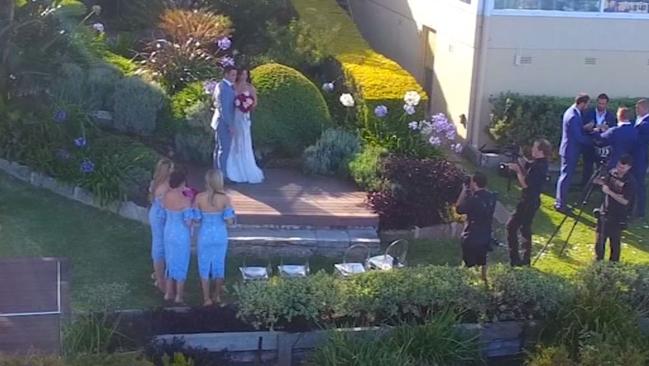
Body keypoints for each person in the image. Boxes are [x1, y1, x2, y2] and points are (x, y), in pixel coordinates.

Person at [506, 139, 551, 266]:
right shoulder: (540, 163)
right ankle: (525, 259)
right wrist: (520, 158)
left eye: (535, 148)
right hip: (532, 200)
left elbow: (526, 184)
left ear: (540, 151)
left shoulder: (539, 167)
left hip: (528, 201)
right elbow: (528, 165)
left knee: (512, 226)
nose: (532, 149)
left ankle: (516, 259)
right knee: (524, 228)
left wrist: (517, 171)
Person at [194, 170, 236, 306]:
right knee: (219, 264)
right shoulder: (225, 199)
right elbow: (229, 221)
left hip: (205, 235)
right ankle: (217, 295)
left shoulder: (199, 197)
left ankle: (206, 298)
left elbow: (196, 219)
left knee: (204, 265)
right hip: (220, 235)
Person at [593, 154, 636, 262]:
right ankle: (598, 262)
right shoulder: (612, 173)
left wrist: (609, 192)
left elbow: (625, 201)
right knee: (599, 241)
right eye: (618, 166)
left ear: (629, 167)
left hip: (617, 216)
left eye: (623, 167)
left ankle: (613, 266)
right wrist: (599, 180)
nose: (619, 169)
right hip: (604, 212)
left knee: (614, 244)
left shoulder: (630, 182)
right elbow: (603, 182)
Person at [455, 172, 496, 284]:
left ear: (475, 183)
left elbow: (458, 209)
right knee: (483, 258)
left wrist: (464, 190)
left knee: (467, 260)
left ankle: (462, 281)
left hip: (472, 234)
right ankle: (484, 279)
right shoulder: (491, 197)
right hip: (486, 233)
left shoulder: (473, 200)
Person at [555, 94, 593, 214]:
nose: (587, 107)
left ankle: (560, 201)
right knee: (566, 177)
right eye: (587, 104)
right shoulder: (573, 116)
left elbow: (576, 130)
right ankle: (561, 204)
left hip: (570, 149)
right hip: (570, 150)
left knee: (565, 175)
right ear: (582, 103)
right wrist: (594, 140)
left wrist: (585, 128)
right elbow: (578, 137)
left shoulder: (572, 112)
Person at [162, 170, 195, 305]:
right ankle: (179, 296)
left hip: (168, 231)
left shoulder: (166, 196)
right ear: (182, 182)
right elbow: (188, 222)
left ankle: (168, 293)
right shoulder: (185, 200)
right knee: (181, 262)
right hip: (180, 233)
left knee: (170, 261)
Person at [226, 68, 264, 184]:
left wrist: (246, 107)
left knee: (244, 140)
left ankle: (246, 166)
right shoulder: (233, 86)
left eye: (245, 74)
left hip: (244, 117)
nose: (243, 76)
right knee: (234, 140)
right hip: (235, 116)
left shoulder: (250, 87)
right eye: (241, 74)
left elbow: (255, 102)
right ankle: (233, 165)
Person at [580, 93, 617, 187]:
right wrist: (593, 127)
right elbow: (582, 126)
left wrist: (606, 128)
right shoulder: (588, 112)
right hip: (589, 143)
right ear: (597, 103)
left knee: (601, 167)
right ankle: (585, 185)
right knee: (587, 166)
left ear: (607, 104)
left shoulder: (610, 115)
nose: (601, 105)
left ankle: (599, 186)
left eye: (603, 104)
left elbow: (613, 129)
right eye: (599, 103)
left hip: (602, 145)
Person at [148, 158, 174, 293]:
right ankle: (160, 281)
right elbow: (167, 205)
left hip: (155, 213)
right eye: (171, 168)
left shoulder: (155, 182)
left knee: (160, 243)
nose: (173, 170)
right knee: (160, 246)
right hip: (160, 216)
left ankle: (157, 273)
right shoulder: (165, 187)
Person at [211, 66, 237, 178]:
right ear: (226, 74)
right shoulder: (224, 88)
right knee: (224, 149)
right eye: (232, 74)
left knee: (218, 148)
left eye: (235, 75)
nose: (234, 77)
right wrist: (230, 125)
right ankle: (222, 176)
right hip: (223, 122)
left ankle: (216, 174)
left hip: (219, 121)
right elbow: (225, 109)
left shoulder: (221, 86)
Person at [632, 99, 649, 218]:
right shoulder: (638, 120)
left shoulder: (646, 124)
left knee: (639, 184)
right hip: (635, 157)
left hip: (641, 158)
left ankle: (640, 211)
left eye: (638, 108)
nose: (636, 110)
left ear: (646, 108)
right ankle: (632, 206)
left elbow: (639, 141)